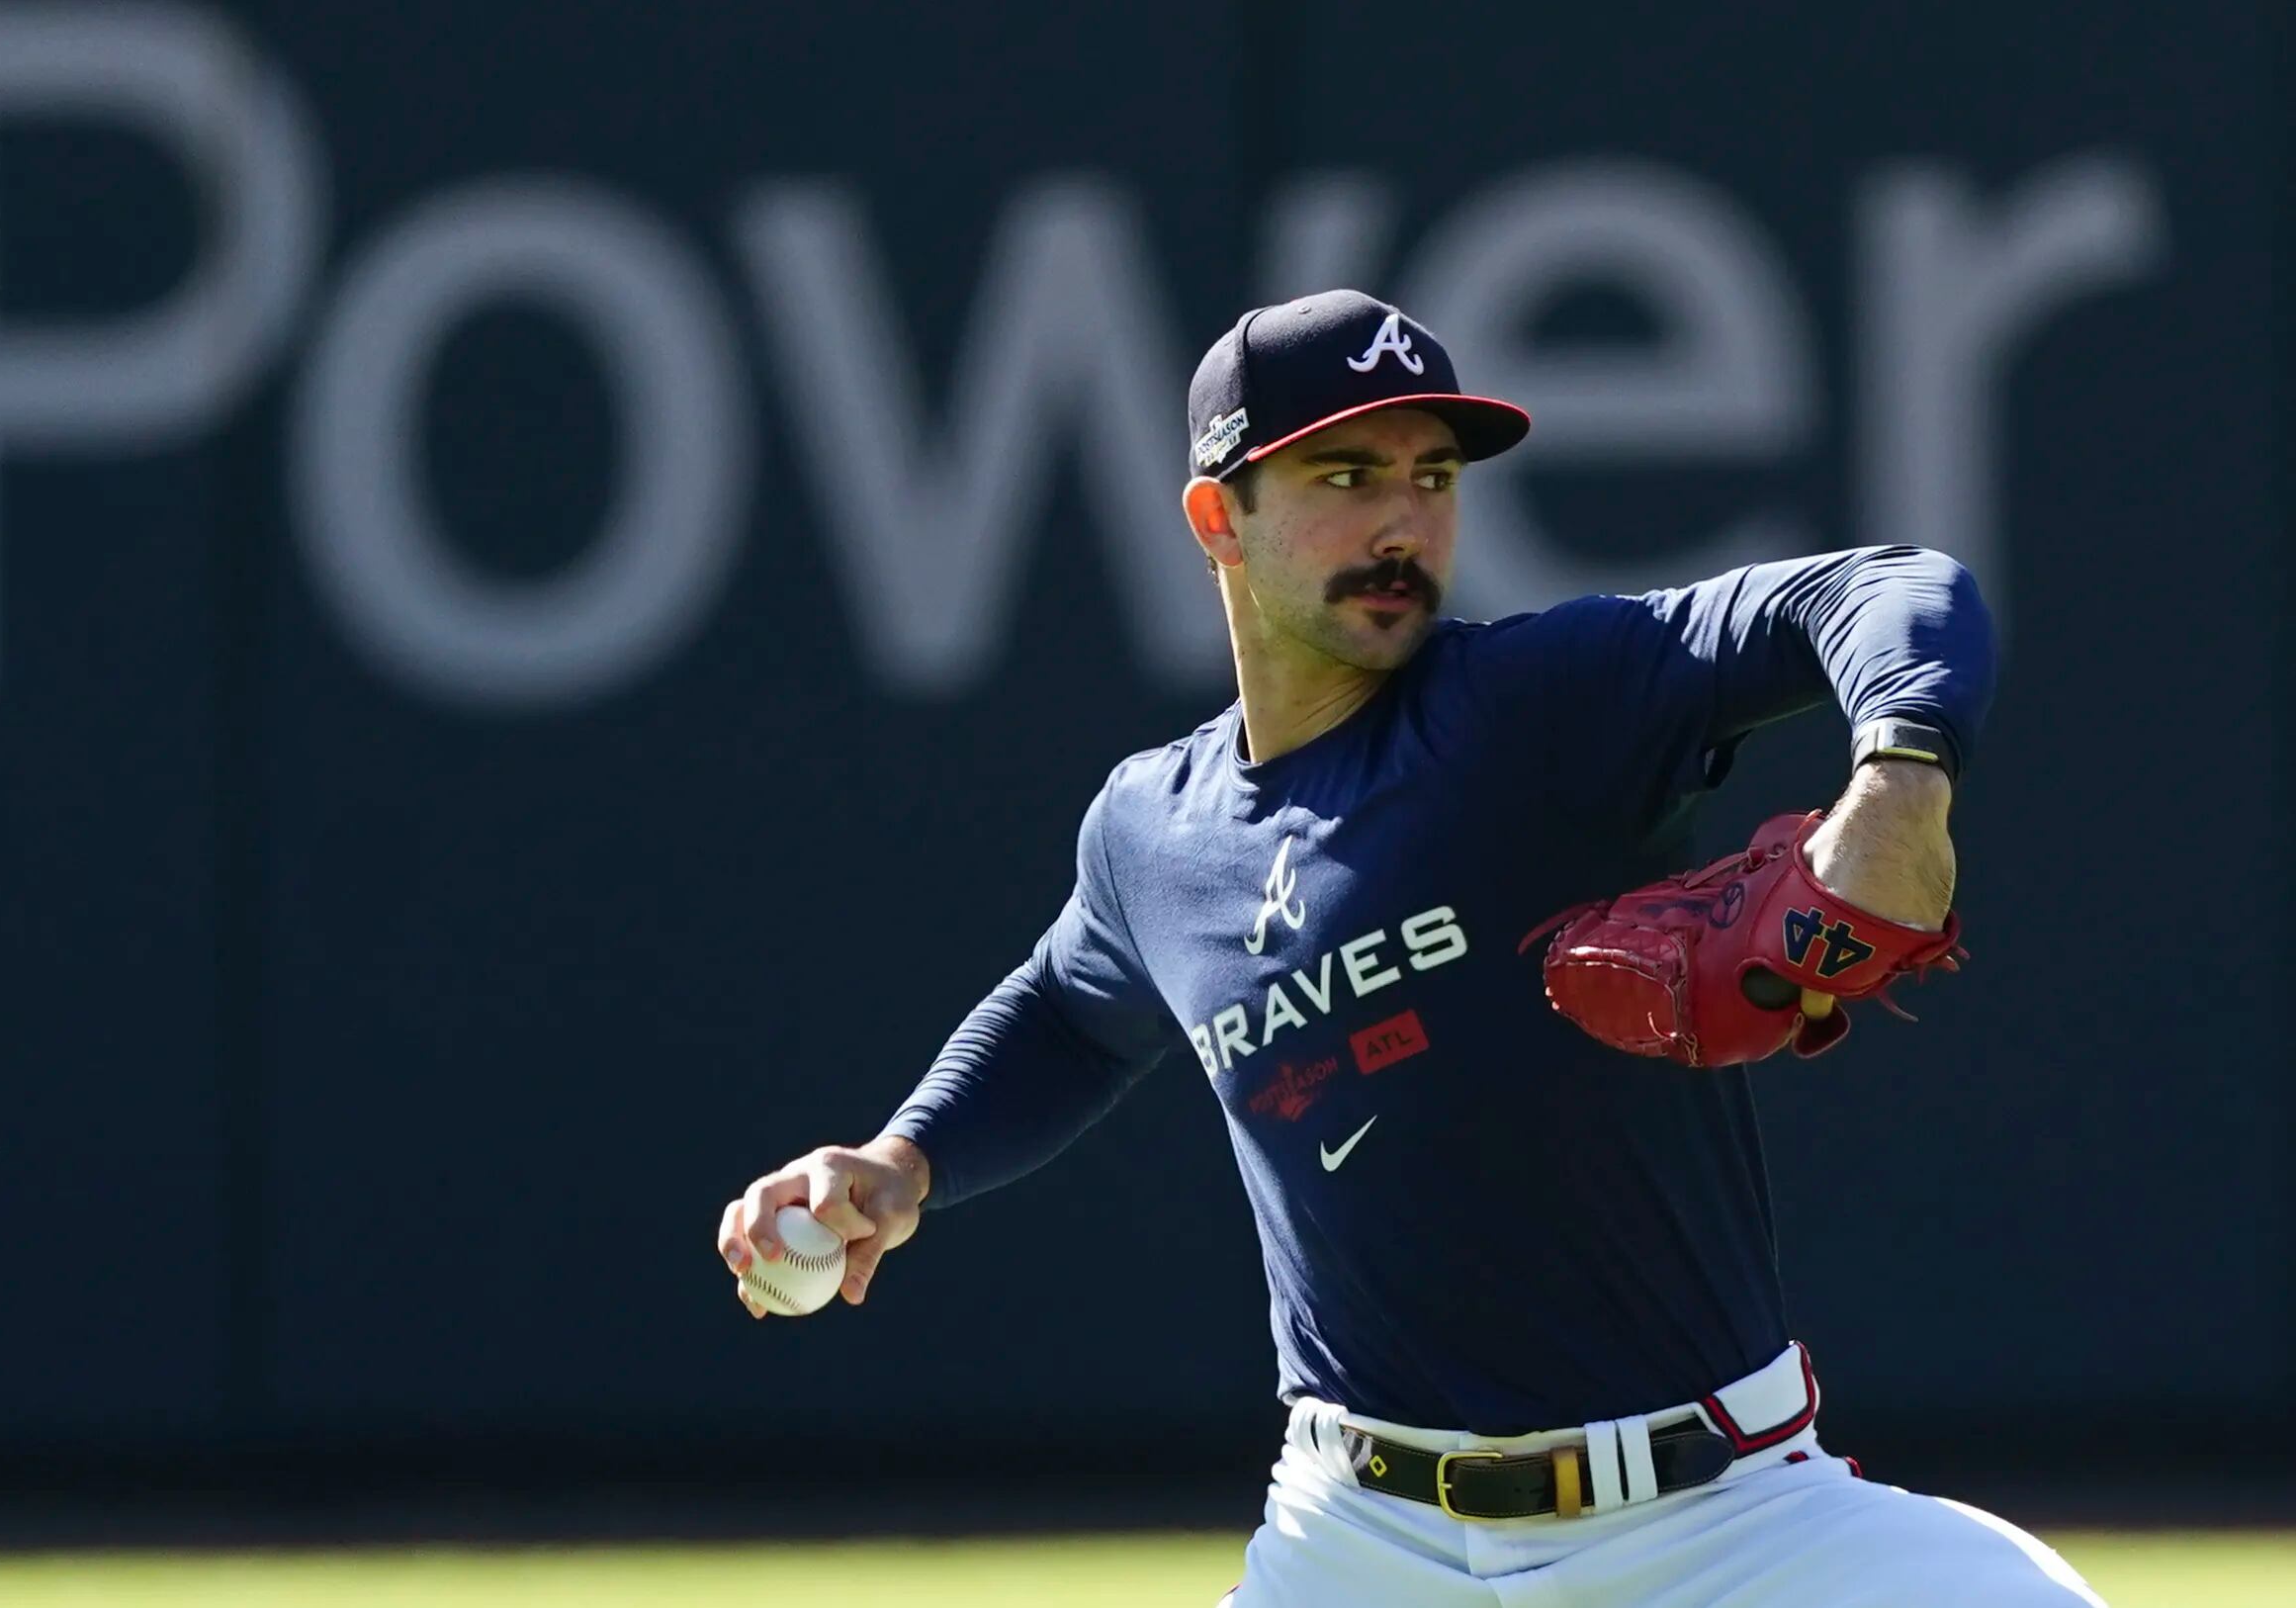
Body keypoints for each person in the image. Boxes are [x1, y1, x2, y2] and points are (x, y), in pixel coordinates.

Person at [714, 290, 2103, 1605]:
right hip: (1357, 1541)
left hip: (1717, 1528)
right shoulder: (1151, 829)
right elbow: (1073, 1015)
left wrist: (1901, 775)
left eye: (1430, 478)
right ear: (1217, 519)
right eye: (1342, 480)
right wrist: (901, 1161)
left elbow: (1884, 585)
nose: (1400, 523)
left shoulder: (1535, 709)